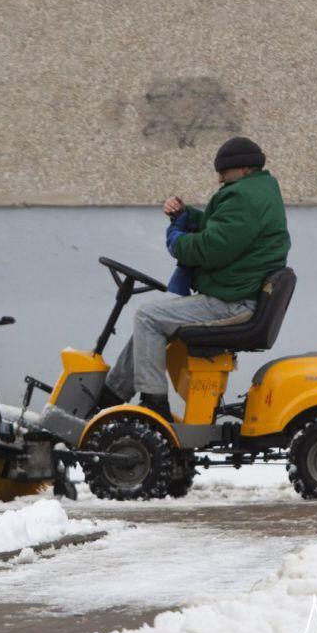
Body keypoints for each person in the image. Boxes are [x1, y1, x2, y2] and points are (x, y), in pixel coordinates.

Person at [101, 136, 291, 422]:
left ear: (242, 169)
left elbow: (209, 249)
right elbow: (222, 231)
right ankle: (111, 398)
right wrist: (186, 216)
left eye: (223, 173)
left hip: (234, 302)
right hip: (237, 294)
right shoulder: (258, 192)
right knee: (153, 321)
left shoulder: (243, 197)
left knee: (147, 317)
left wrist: (176, 241)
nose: (219, 180)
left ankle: (153, 406)